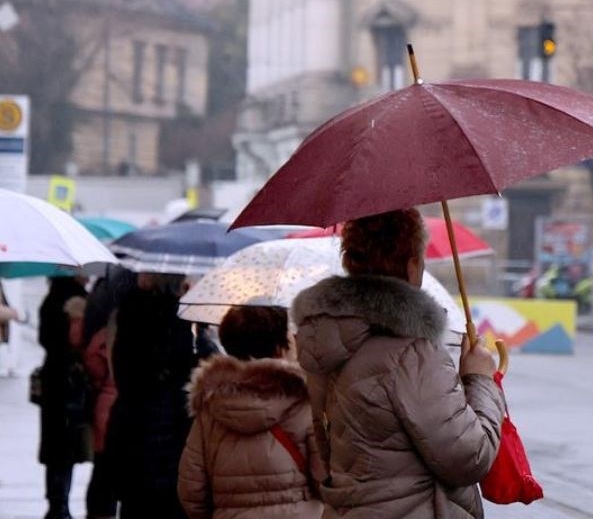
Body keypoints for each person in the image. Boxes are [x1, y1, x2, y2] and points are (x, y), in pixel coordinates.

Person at [292, 208, 503, 519]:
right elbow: (468, 458)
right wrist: (479, 380)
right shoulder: (412, 355)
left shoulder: (327, 347)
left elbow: (329, 452)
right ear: (413, 264)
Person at [177, 304, 321, 519]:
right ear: (279, 346)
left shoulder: (210, 408)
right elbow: (328, 480)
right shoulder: (304, 404)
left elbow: (192, 491)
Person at [107, 273, 207, 519]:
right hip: (176, 436)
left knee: (136, 504)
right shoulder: (186, 323)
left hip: (134, 437)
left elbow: (121, 373)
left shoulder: (129, 316)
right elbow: (196, 372)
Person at [82, 267, 135, 519]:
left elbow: (92, 360)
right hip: (121, 405)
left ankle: (99, 512)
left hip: (107, 401)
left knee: (103, 467)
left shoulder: (106, 332)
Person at [37, 275, 92, 519]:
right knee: (67, 447)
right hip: (72, 382)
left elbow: (44, 339)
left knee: (55, 447)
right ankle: (60, 506)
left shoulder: (51, 298)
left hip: (53, 381)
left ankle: (56, 504)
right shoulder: (77, 300)